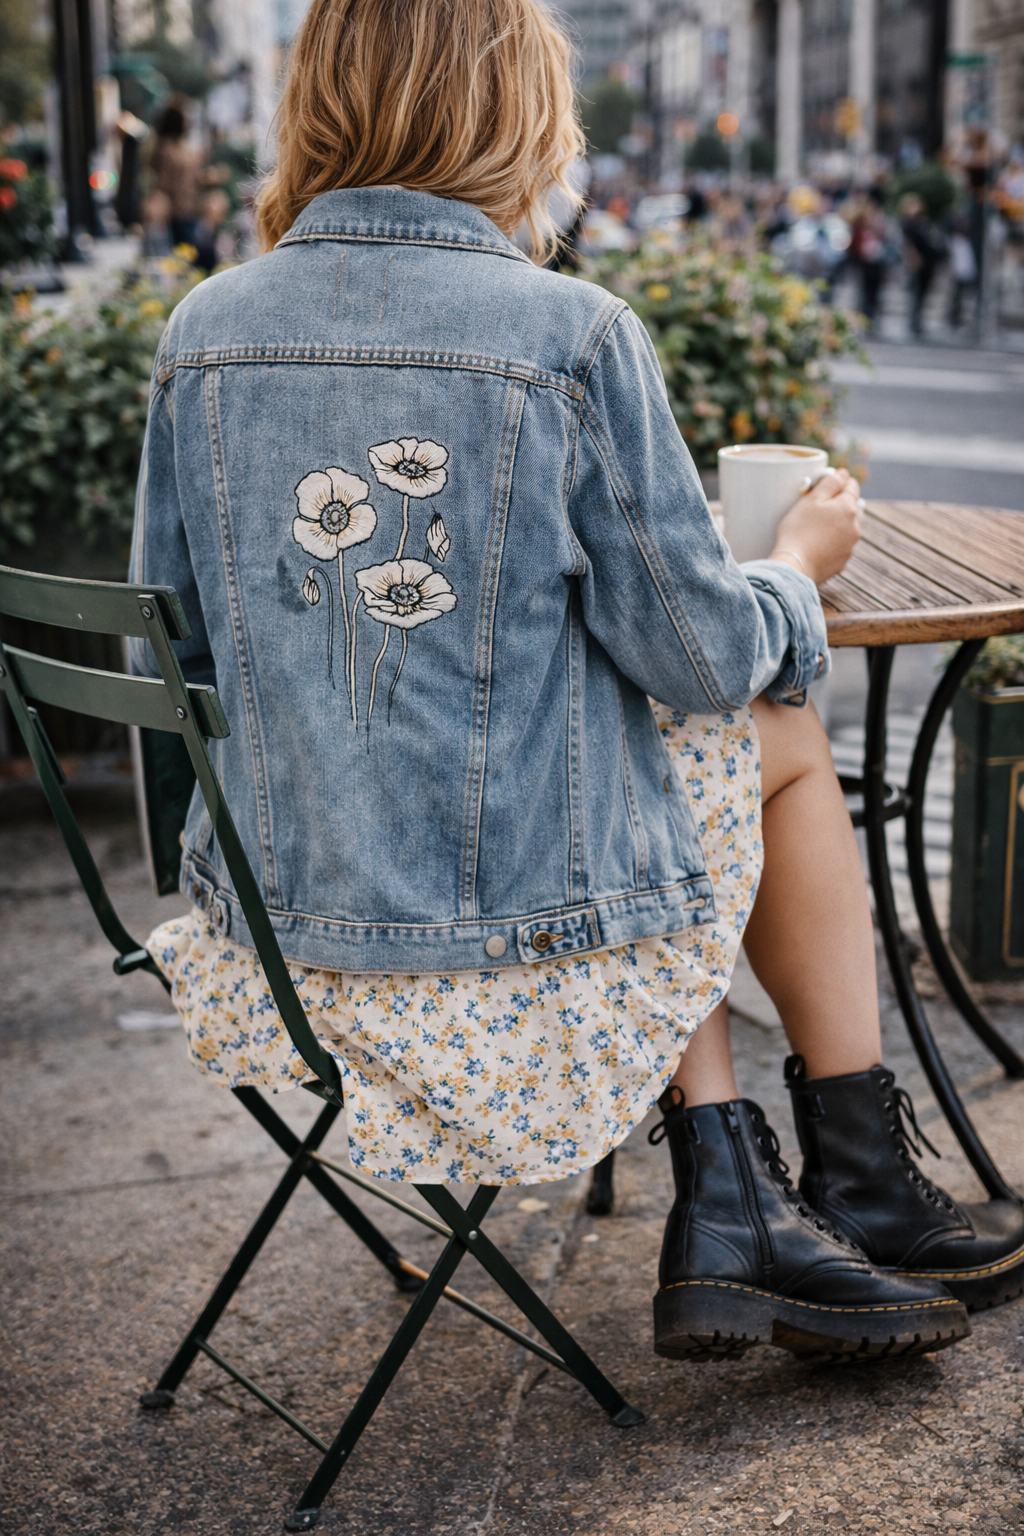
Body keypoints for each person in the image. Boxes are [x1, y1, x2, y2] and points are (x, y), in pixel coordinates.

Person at [131, 0, 1024, 1364]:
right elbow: (702, 657)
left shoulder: (203, 330)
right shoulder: (570, 335)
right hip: (508, 982)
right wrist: (795, 567)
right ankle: (847, 1177)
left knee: (622, 744)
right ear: (512, 113)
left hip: (271, 965)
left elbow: (168, 654)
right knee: (775, 730)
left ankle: (749, 1199)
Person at [900, 192, 948, 337]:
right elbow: (908, 244)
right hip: (918, 262)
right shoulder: (908, 224)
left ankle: (918, 321)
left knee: (923, 292)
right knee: (916, 292)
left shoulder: (923, 222)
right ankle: (914, 322)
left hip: (928, 261)